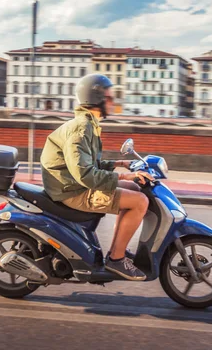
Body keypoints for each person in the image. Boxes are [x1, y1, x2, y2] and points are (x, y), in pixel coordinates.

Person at [40, 74, 153, 281]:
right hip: (71, 191)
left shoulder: (88, 124)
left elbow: (88, 164)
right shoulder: (81, 128)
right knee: (140, 202)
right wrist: (127, 175)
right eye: (110, 98)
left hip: (72, 184)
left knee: (134, 189)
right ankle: (116, 260)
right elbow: (84, 174)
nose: (113, 102)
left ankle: (117, 250)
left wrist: (121, 164)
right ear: (97, 100)